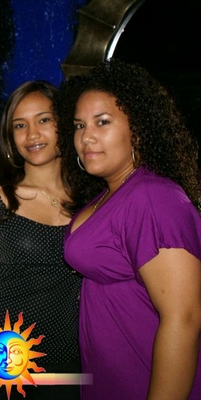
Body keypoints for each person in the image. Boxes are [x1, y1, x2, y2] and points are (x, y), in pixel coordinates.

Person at [55, 59, 201, 399]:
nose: (86, 137)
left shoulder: (153, 197)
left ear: (137, 128)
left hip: (145, 377)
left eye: (102, 122)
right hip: (109, 377)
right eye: (79, 126)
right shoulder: (110, 193)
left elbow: (184, 319)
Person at [0, 81, 82, 400]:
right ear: (10, 138)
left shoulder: (90, 201)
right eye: (20, 125)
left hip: (71, 352)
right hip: (5, 355)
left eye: (44, 120)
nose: (32, 134)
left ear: (64, 124)